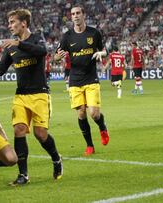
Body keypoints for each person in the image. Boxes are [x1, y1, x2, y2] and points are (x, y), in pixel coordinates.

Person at [0, 9, 63, 185]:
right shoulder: (10, 47)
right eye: (9, 22)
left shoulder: (36, 38)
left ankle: (56, 158)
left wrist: (19, 44)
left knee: (40, 134)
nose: (10, 26)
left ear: (24, 23)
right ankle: (23, 174)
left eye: (12, 22)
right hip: (21, 95)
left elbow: (42, 51)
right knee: (19, 130)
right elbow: (0, 70)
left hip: (39, 94)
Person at [54, 5, 109, 156]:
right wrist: (59, 56)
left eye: (78, 13)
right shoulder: (67, 36)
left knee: (94, 114)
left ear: (83, 15)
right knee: (81, 113)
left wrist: (101, 53)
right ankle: (90, 145)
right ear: (71, 17)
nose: (76, 16)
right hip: (75, 79)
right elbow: (55, 56)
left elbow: (105, 50)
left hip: (91, 77)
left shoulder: (94, 33)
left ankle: (102, 127)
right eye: (73, 14)